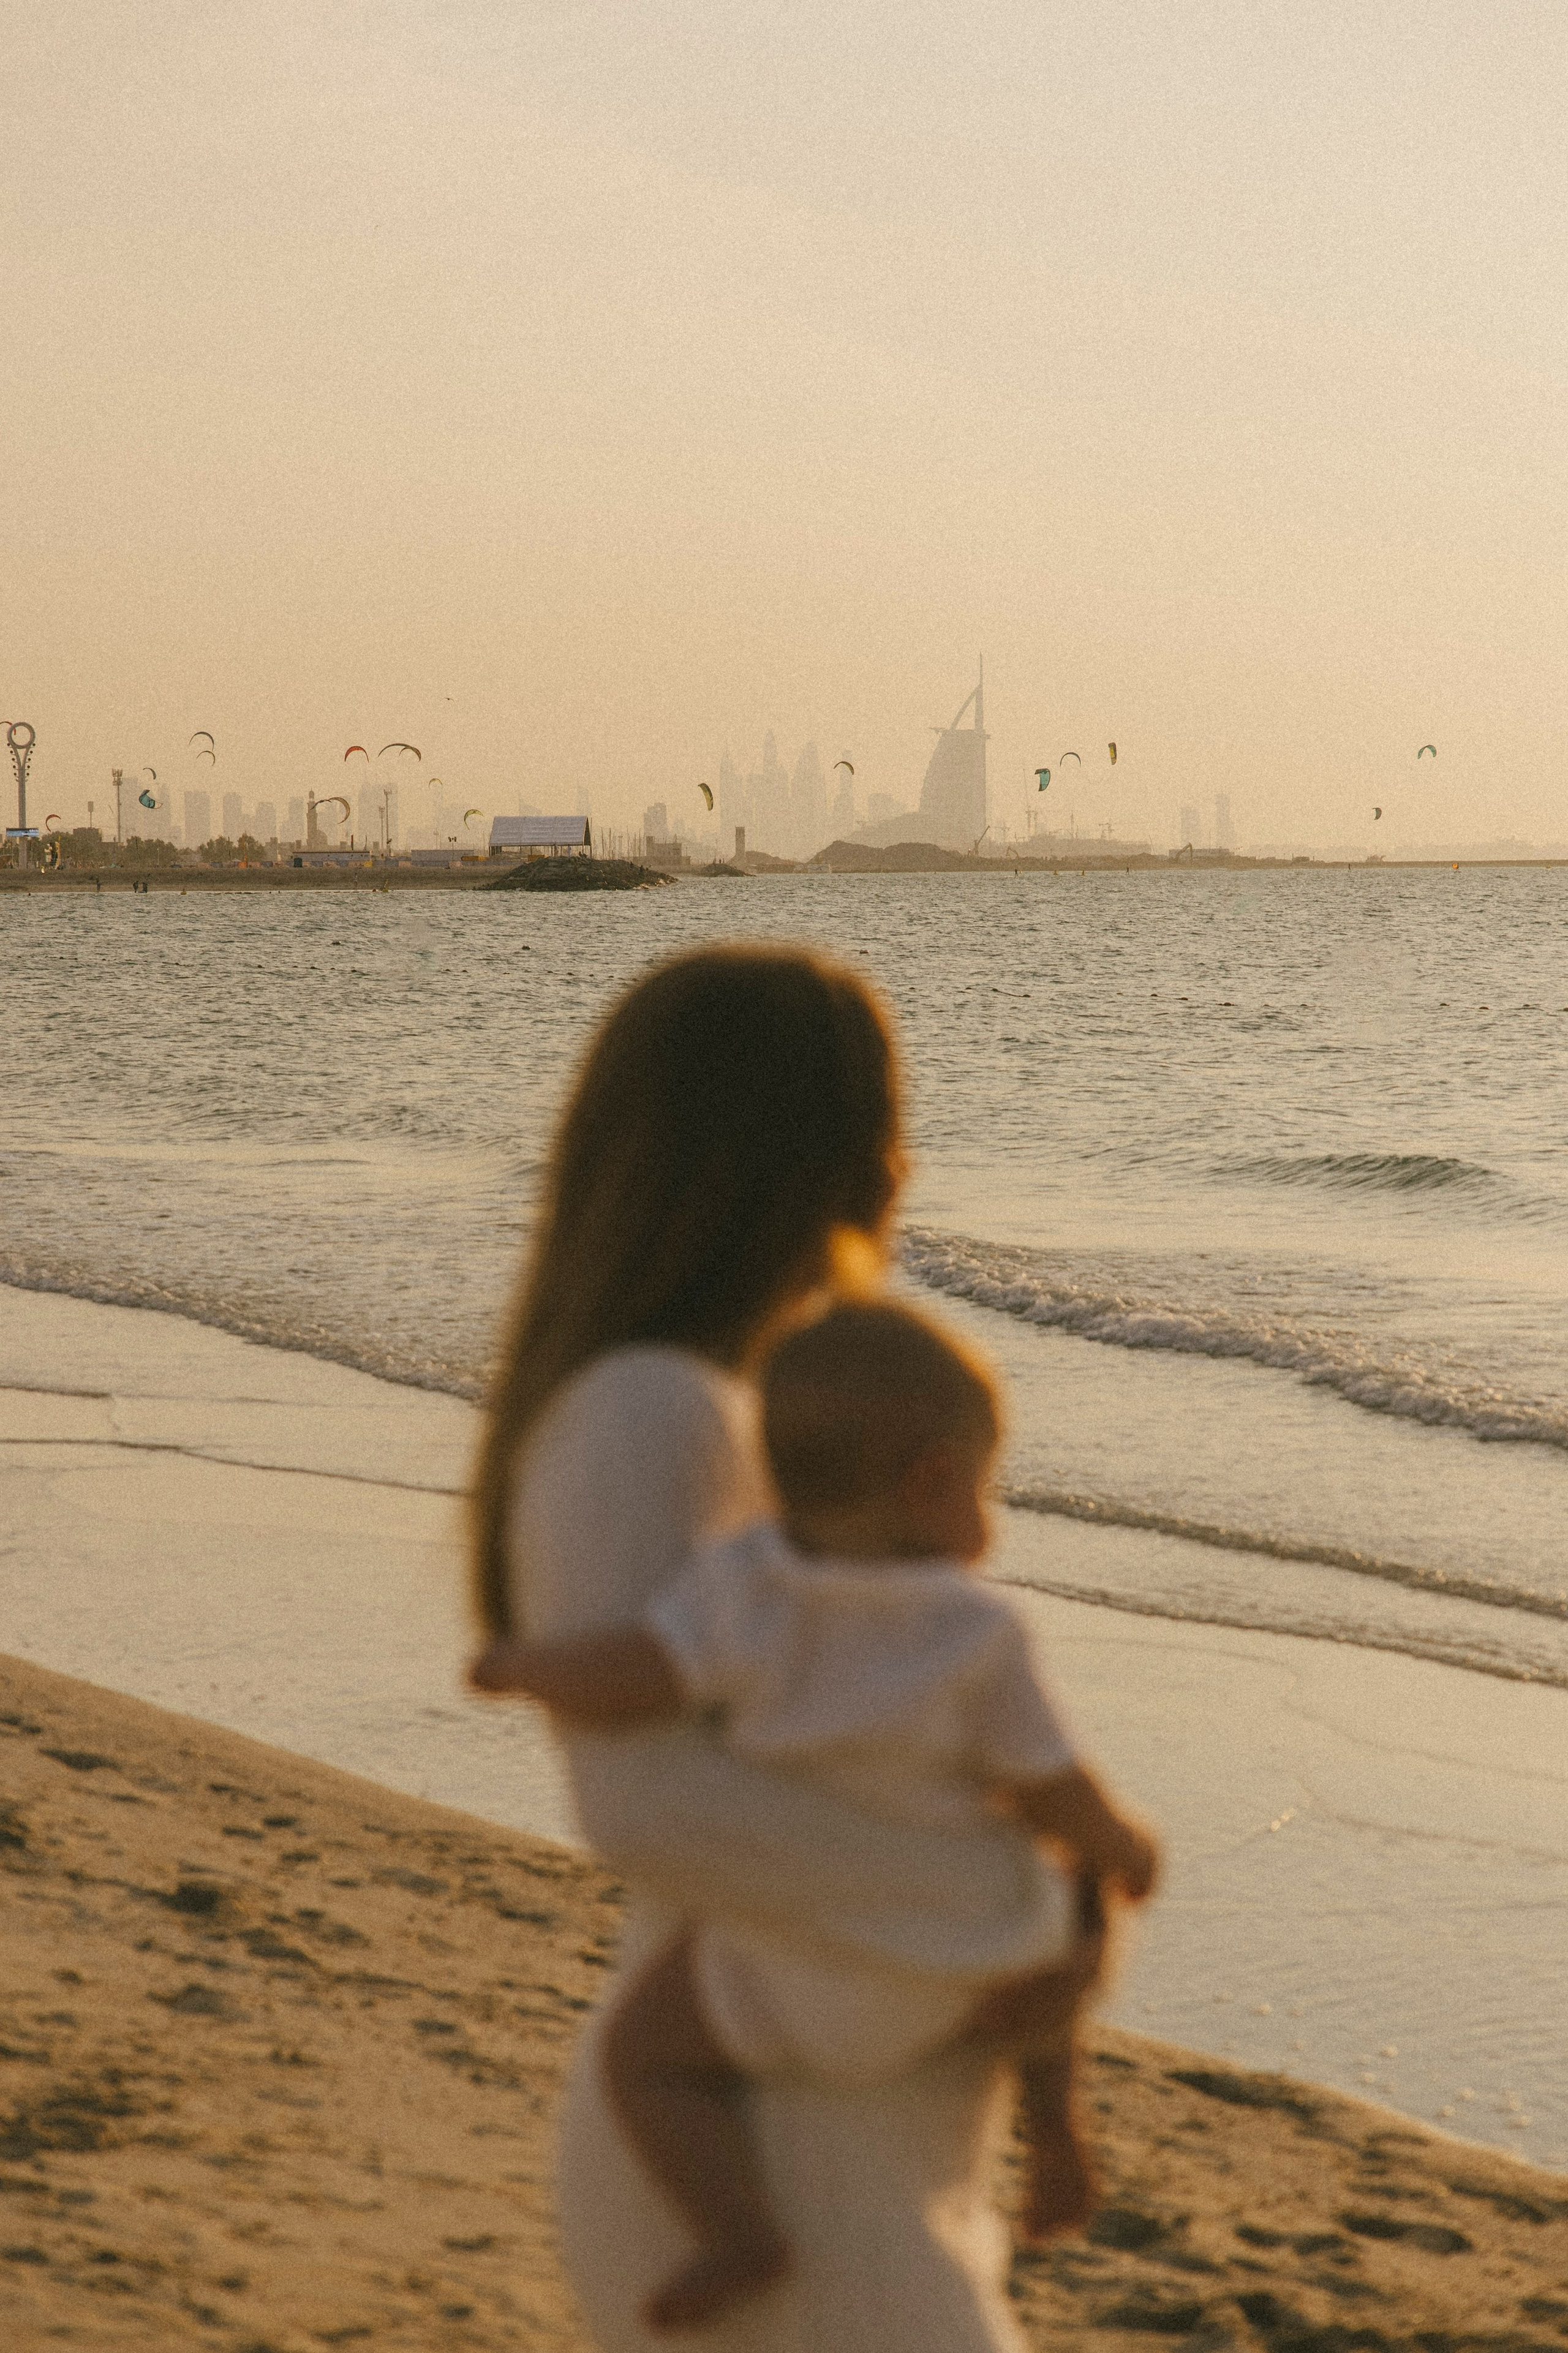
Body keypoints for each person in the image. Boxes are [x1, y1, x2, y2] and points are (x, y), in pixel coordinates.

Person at [469, 943, 1119, 2353]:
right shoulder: (652, 1413)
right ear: (830, 1157)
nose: (903, 1164)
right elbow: (644, 1804)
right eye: (883, 1124)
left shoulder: (720, 1405)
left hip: (843, 2142)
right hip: (774, 2167)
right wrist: (1012, 1907)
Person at [473, 1298, 1158, 2333]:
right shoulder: (977, 1630)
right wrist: (1120, 1844)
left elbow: (642, 1674)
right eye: (986, 1485)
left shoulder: (745, 1590)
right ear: (933, 1479)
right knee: (1047, 1934)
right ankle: (1057, 2137)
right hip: (942, 1975)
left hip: (788, 1969)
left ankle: (736, 2229)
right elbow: (1049, 1781)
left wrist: (527, 1666)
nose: (988, 1517)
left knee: (643, 2058)